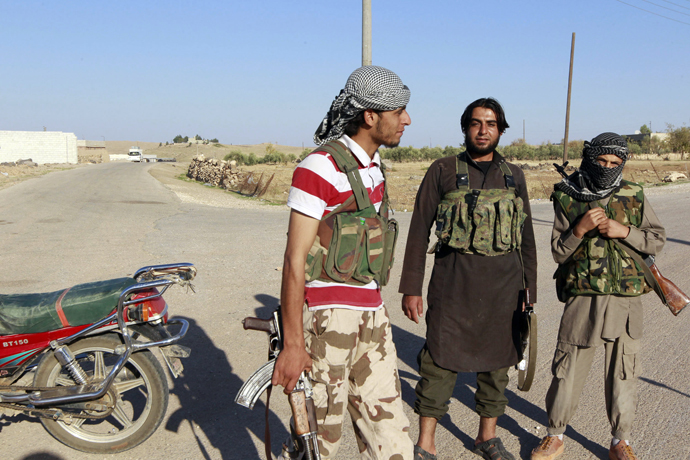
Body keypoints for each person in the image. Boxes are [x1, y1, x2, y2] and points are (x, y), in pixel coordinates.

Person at [271, 65, 414, 460]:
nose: (407, 119)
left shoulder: (374, 166)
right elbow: (294, 258)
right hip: (328, 321)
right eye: (398, 111)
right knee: (321, 443)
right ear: (370, 116)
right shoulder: (318, 167)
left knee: (394, 439)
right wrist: (294, 344)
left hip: (372, 319)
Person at [399, 98, 537, 460]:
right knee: (439, 363)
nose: (483, 130)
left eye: (491, 124)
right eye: (476, 123)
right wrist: (411, 288)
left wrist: (529, 291)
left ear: (501, 130)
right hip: (453, 287)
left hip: (504, 290)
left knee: (497, 366)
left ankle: (486, 438)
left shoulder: (515, 176)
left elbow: (526, 240)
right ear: (465, 128)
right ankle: (426, 443)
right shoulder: (442, 170)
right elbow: (418, 231)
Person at [531, 133, 665, 460]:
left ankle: (621, 441)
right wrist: (578, 230)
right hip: (584, 295)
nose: (607, 168)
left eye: (614, 164)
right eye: (601, 162)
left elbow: (656, 239)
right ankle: (555, 435)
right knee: (568, 368)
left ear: (623, 164)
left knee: (623, 371)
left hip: (625, 297)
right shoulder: (567, 196)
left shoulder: (633, 193)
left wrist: (625, 232)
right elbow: (558, 252)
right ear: (590, 160)